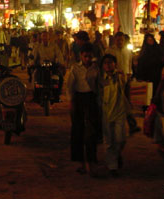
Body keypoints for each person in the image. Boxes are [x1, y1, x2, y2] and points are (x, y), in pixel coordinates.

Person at [68, 43, 101, 176]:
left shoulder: (96, 68)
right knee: (78, 130)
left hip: (92, 98)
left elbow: (99, 85)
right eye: (85, 56)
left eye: (89, 56)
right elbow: (70, 86)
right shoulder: (75, 68)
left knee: (92, 132)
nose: (87, 58)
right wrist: (71, 101)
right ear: (81, 56)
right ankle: (80, 162)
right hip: (79, 98)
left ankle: (91, 162)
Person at [100, 54, 129, 176]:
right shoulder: (100, 78)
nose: (108, 65)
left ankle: (116, 155)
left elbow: (125, 85)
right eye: (105, 63)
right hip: (105, 113)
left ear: (115, 64)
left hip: (119, 112)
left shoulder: (120, 76)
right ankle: (112, 166)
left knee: (120, 139)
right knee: (108, 141)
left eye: (110, 62)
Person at [33, 30, 65, 100]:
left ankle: (57, 94)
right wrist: (32, 63)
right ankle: (36, 95)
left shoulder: (54, 46)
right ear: (41, 38)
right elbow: (34, 56)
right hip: (41, 66)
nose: (44, 38)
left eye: (46, 36)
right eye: (43, 36)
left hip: (52, 66)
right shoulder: (38, 46)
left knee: (60, 77)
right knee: (35, 76)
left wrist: (61, 63)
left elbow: (59, 54)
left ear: (49, 38)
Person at [135, 33, 164, 100]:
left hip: (156, 75)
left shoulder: (158, 50)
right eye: (148, 40)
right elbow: (141, 64)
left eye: (151, 39)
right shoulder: (144, 51)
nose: (150, 41)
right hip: (147, 77)